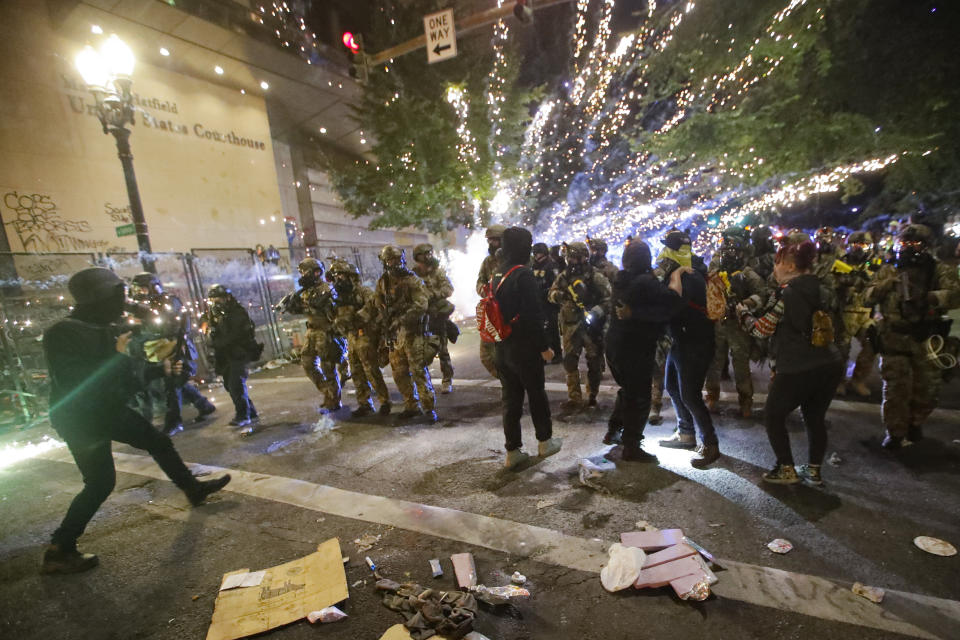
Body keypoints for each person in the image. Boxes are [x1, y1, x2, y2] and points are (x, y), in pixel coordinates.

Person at [41, 268, 230, 575]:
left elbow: (125, 375)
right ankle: (59, 549)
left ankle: (192, 489)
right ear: (96, 298)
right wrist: (118, 357)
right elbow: (79, 381)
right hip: (80, 418)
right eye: (116, 296)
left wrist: (160, 369)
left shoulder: (103, 326)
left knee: (158, 441)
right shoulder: (62, 333)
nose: (122, 303)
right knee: (100, 483)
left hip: (106, 409)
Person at [738, 241, 844, 485]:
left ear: (790, 265)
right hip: (830, 362)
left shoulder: (786, 293)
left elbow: (762, 329)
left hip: (798, 364)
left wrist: (743, 313)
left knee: (773, 415)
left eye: (777, 263)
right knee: (815, 417)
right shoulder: (823, 289)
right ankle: (814, 470)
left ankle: (785, 468)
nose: (774, 268)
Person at [863, 224, 960, 449]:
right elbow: (866, 297)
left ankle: (915, 422)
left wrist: (930, 298)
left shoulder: (939, 270)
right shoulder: (889, 270)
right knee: (896, 390)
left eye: (915, 244)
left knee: (928, 390)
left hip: (927, 340)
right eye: (905, 243)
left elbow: (955, 295)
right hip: (894, 338)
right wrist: (886, 286)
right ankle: (895, 433)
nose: (909, 248)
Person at [605, 240, 686, 461]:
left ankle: (614, 430)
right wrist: (677, 275)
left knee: (628, 390)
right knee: (640, 396)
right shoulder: (645, 282)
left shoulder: (621, 278)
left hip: (614, 344)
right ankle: (632, 446)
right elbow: (672, 302)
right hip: (635, 346)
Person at [493, 227, 562, 469]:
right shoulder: (523, 275)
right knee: (536, 394)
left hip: (501, 348)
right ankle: (545, 442)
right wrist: (545, 347)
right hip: (524, 349)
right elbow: (533, 316)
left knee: (510, 399)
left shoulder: (497, 274)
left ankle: (513, 451)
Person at [655, 231, 721, 467]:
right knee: (672, 386)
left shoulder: (689, 276)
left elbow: (672, 304)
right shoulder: (685, 270)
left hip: (694, 342)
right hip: (681, 340)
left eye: (665, 250)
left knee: (690, 395)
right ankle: (686, 433)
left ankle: (710, 444)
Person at [129, 272, 216, 435]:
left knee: (172, 385)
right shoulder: (143, 306)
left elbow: (170, 326)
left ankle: (174, 422)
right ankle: (204, 405)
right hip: (157, 350)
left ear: (153, 287)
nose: (140, 293)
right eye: (138, 290)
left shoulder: (168, 301)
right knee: (178, 383)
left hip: (176, 348)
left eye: (142, 289)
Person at [705, 228, 767, 417]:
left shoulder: (748, 274)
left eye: (734, 250)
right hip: (719, 323)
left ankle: (746, 402)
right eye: (726, 249)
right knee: (714, 364)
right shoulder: (715, 269)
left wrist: (744, 304)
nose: (729, 253)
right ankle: (712, 397)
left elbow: (762, 295)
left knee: (741, 366)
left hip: (738, 325)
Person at [376, 246, 438, 423]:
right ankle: (411, 405)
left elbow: (421, 305)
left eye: (397, 259)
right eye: (390, 260)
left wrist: (402, 318)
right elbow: (377, 303)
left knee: (418, 371)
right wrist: (384, 320)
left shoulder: (412, 280)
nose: (394, 263)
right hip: (395, 335)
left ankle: (428, 408)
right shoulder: (383, 283)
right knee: (399, 372)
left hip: (413, 333)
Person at [548, 241, 612, 411]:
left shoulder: (595, 276)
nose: (573, 262)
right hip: (570, 325)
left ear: (584, 258)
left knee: (594, 362)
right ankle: (574, 397)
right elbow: (551, 294)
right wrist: (561, 295)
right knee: (570, 362)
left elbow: (609, 299)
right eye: (571, 258)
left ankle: (592, 396)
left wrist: (597, 310)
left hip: (592, 327)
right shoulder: (564, 277)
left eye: (576, 258)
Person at [329, 259, 391, 417]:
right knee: (356, 371)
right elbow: (334, 316)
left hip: (365, 335)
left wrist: (356, 316)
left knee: (371, 370)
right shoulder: (337, 296)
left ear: (351, 277)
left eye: (341, 275)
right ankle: (364, 403)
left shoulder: (363, 292)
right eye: (336, 276)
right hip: (351, 336)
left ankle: (384, 402)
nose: (338, 280)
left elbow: (373, 309)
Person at [282, 258, 343, 413]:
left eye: (305, 272)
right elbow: (300, 309)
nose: (302, 275)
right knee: (307, 362)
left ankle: (334, 399)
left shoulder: (327, 288)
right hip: (312, 331)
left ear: (316, 272)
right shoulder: (306, 291)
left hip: (326, 331)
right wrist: (292, 304)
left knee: (327, 366)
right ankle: (327, 392)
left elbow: (330, 307)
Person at [204, 284, 259, 428]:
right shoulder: (215, 314)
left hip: (239, 353)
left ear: (227, 298)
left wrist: (217, 342)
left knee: (236, 385)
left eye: (219, 299)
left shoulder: (237, 312)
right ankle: (250, 411)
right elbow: (211, 330)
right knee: (229, 385)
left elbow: (235, 335)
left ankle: (243, 415)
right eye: (213, 300)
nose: (216, 303)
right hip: (225, 355)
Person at [835, 231, 880, 397]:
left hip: (866, 314)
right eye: (855, 245)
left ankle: (858, 379)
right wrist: (850, 279)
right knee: (841, 350)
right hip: (844, 313)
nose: (859, 248)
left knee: (872, 345)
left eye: (863, 245)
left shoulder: (876, 264)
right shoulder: (841, 263)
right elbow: (835, 284)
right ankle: (838, 381)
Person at [412, 243, 456, 394]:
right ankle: (425, 382)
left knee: (442, 350)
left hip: (437, 315)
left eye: (428, 254)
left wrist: (434, 294)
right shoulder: (413, 274)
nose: (426, 257)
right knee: (421, 351)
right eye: (423, 255)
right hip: (421, 317)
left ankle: (447, 379)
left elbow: (448, 289)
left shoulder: (438, 272)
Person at [477, 225, 506, 378]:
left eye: (495, 240)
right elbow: (480, 281)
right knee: (486, 356)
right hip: (493, 313)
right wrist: (484, 289)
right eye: (490, 240)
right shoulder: (488, 262)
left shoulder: (516, 259)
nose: (491, 243)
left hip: (510, 314)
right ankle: (506, 381)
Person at [530, 242, 562, 362]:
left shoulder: (551, 266)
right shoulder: (534, 266)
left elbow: (556, 283)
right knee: (540, 329)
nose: (537, 256)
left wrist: (545, 292)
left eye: (539, 253)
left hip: (549, 302)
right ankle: (544, 354)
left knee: (552, 328)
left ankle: (557, 353)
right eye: (535, 253)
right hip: (538, 302)